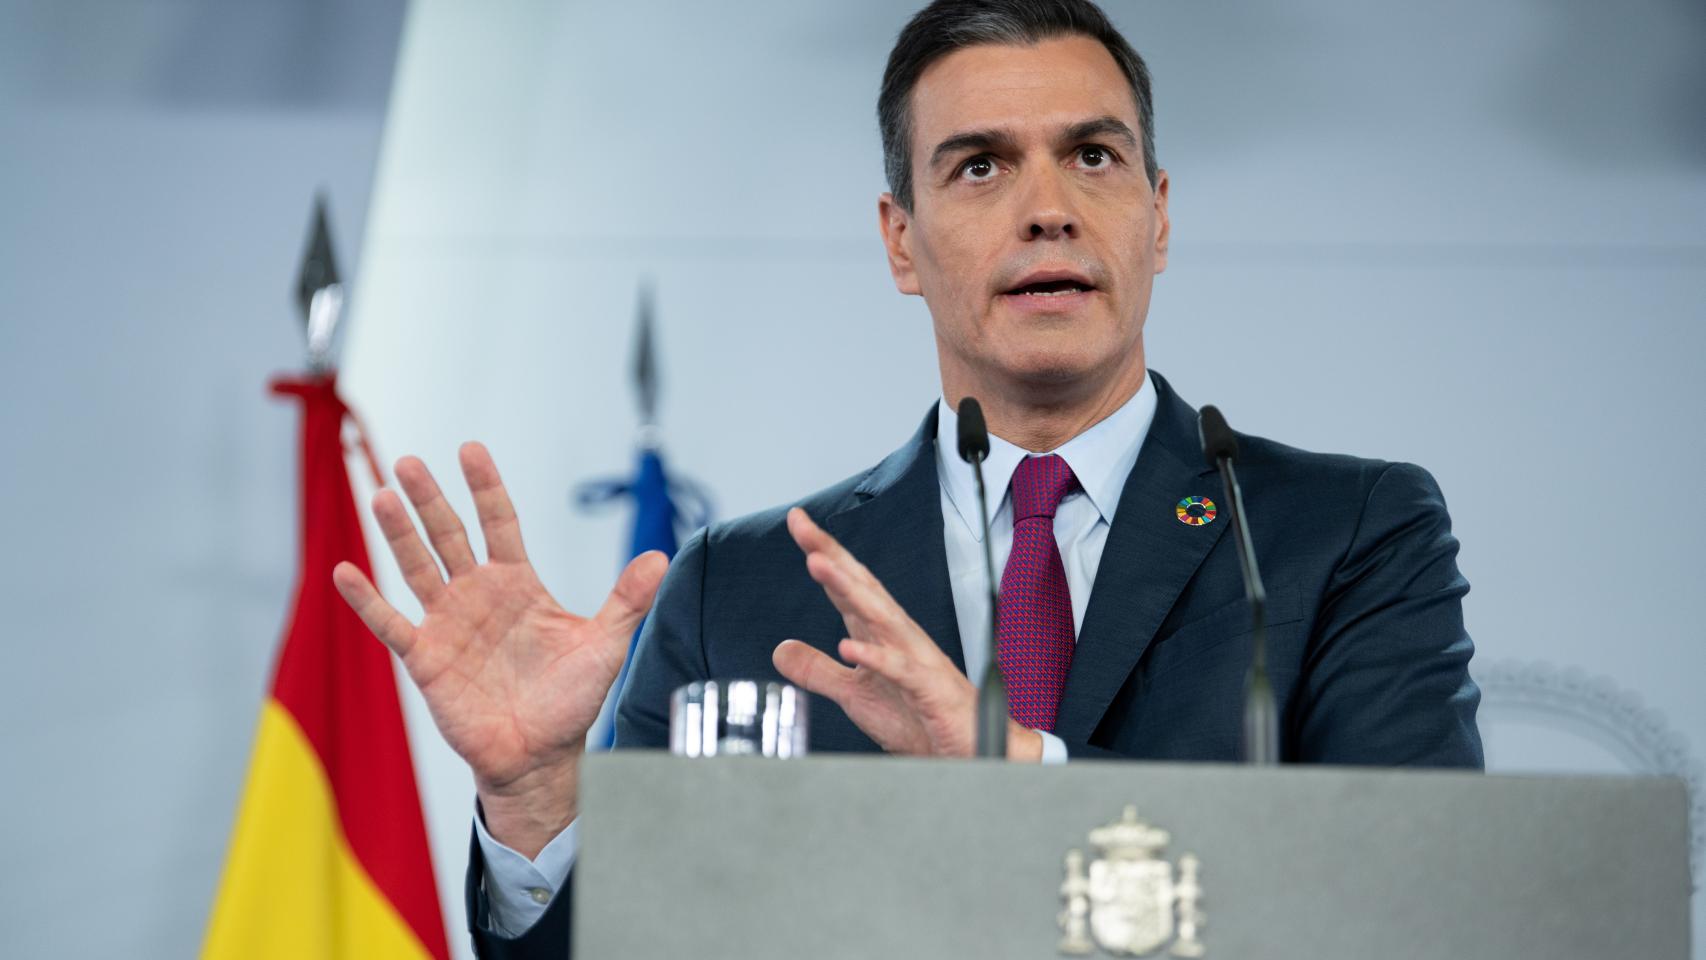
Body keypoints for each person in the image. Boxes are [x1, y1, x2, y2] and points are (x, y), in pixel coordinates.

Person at [333, 1, 1483, 956]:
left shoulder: (1339, 534)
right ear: (899, 239)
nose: (1047, 207)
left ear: (1157, 214)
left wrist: (1020, 774)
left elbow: (1422, 905)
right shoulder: (740, 586)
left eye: (1093, 155)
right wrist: (540, 798)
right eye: (979, 166)